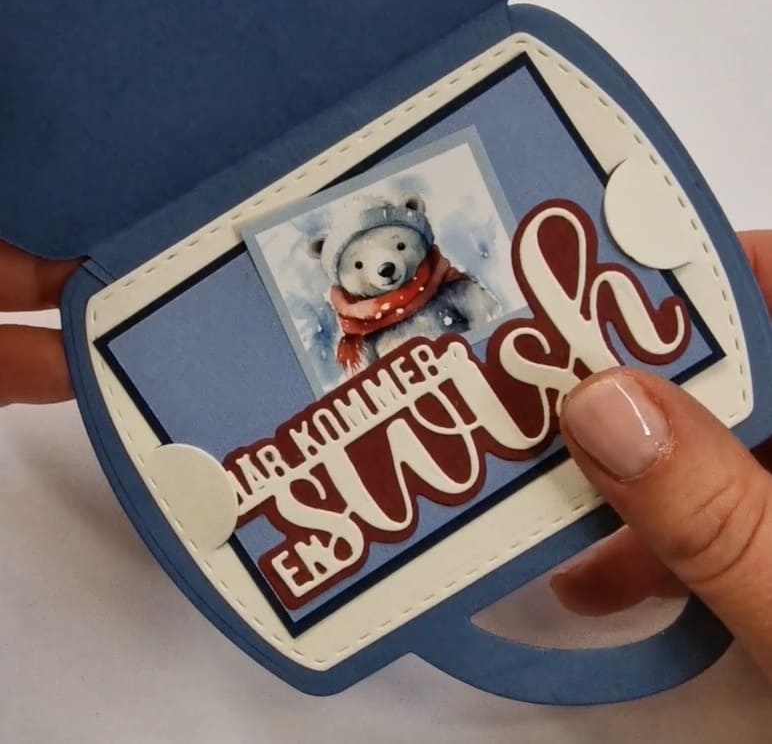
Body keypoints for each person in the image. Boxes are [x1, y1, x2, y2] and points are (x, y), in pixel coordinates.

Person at [1, 232, 770, 681]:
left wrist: (725, 529)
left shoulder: (460, 286)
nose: (393, 270)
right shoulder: (347, 342)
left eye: (402, 249)